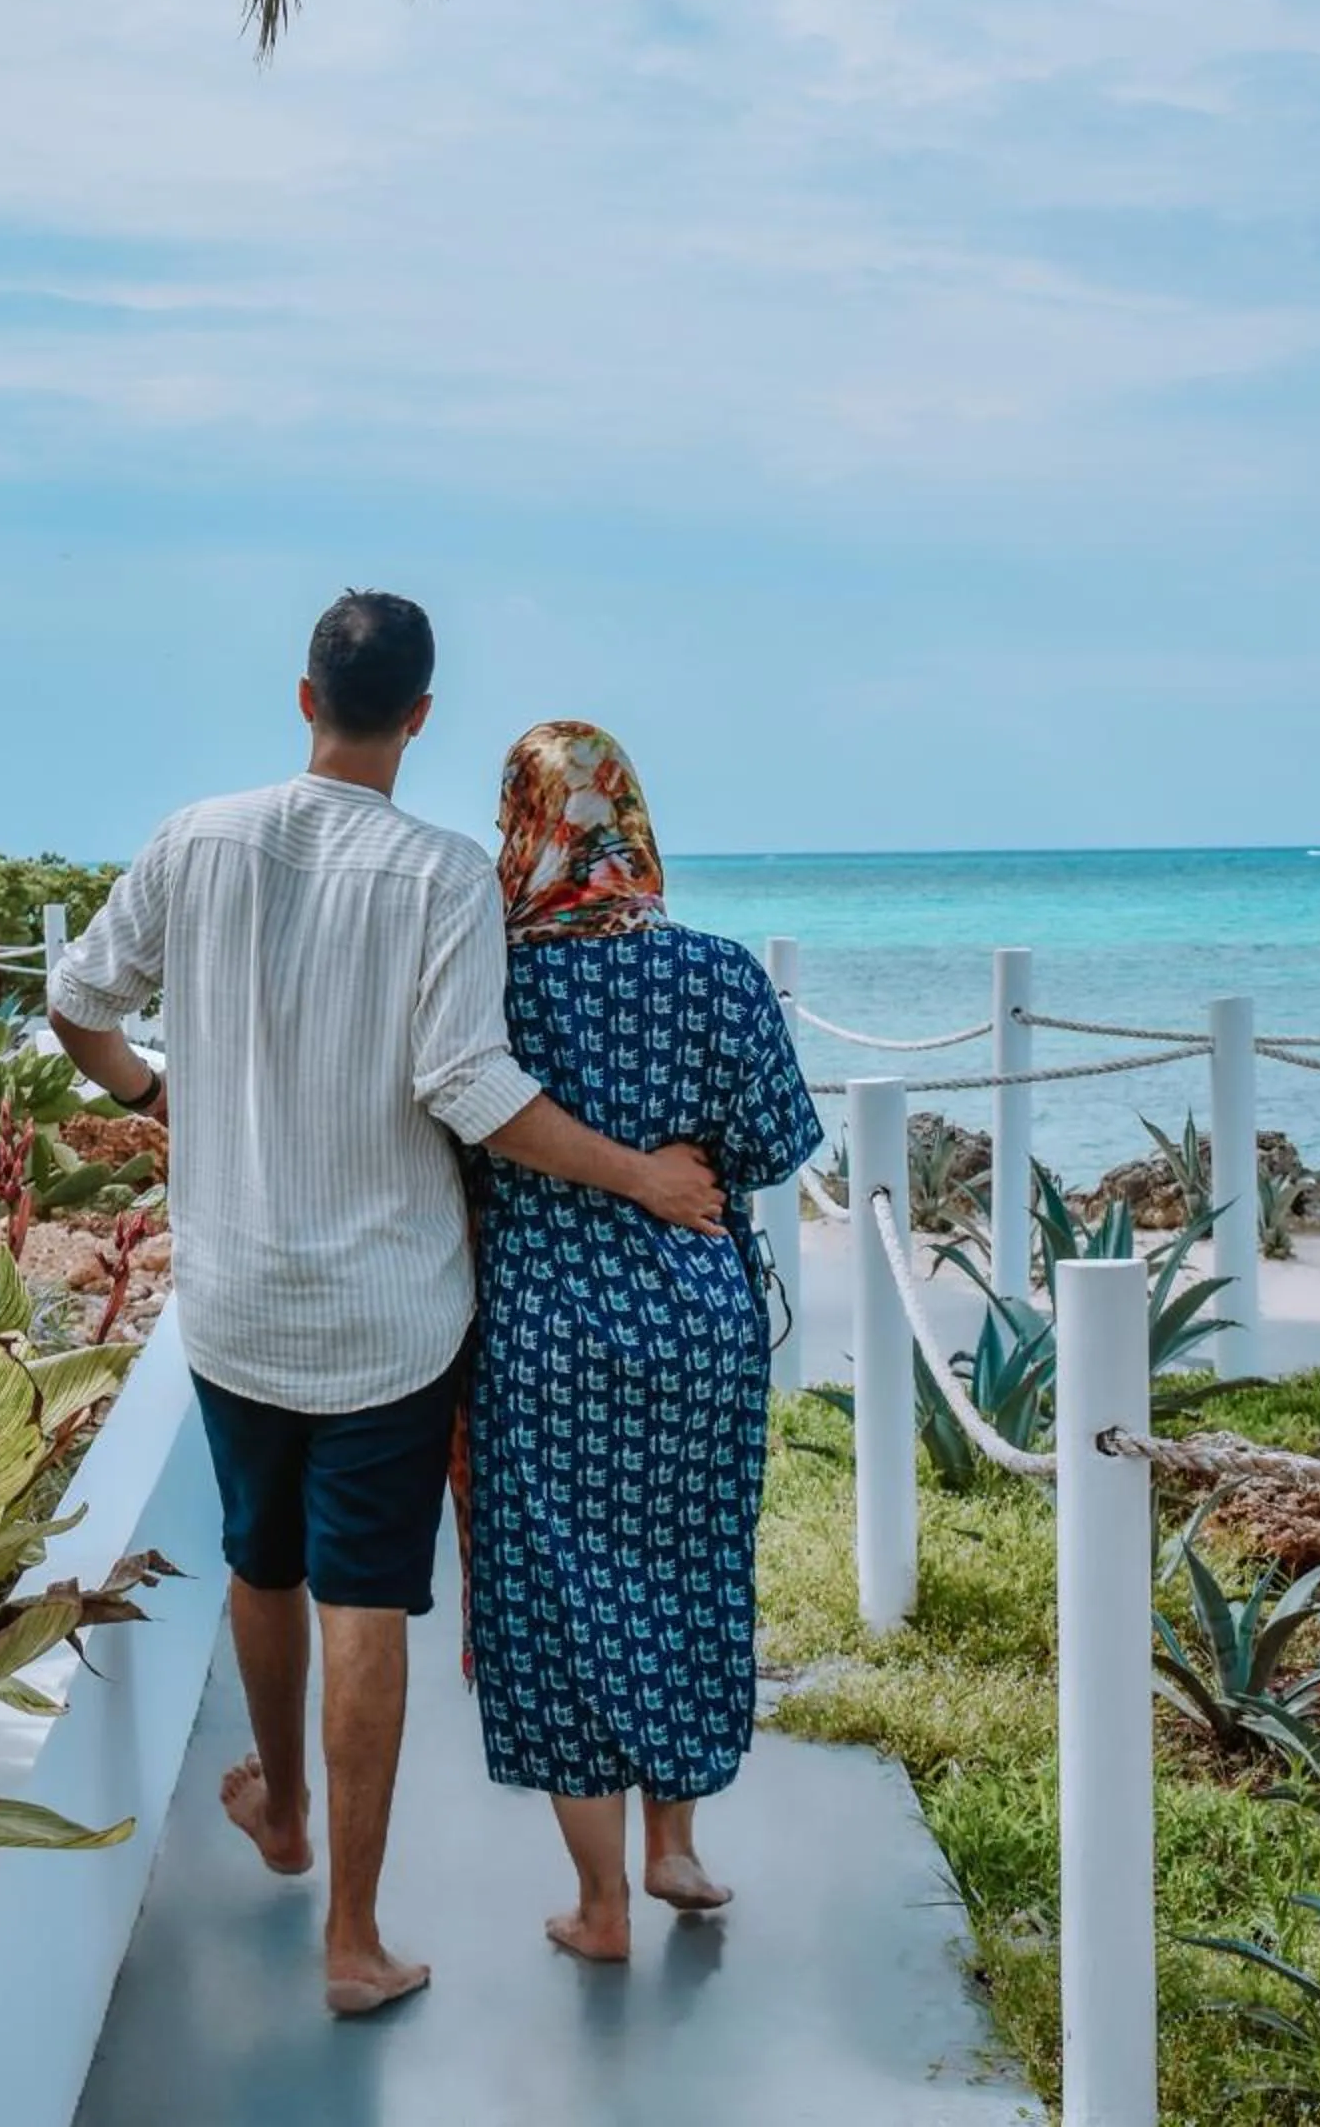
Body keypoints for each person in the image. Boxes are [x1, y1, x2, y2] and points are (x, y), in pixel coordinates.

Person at [46, 596, 726, 2020]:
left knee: (262, 1558)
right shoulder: (444, 879)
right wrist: (644, 1182)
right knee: (368, 1595)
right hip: (389, 1320)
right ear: (419, 714)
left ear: (306, 696)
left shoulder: (195, 837)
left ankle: (282, 1810)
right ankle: (353, 1940)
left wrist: (157, 1096)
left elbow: (76, 1000)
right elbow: (470, 1090)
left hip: (232, 1299)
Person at [465, 719, 823, 1964]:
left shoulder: (491, 979)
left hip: (547, 1335)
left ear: (519, 824)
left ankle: (600, 1904)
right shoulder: (719, 971)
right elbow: (775, 1146)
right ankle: (675, 1843)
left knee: (558, 1605)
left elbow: (456, 1129)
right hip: (698, 1331)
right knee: (688, 1575)